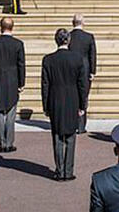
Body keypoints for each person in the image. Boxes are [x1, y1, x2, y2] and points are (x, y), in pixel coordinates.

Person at [41, 28, 88, 181]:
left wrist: (45, 105)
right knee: (70, 136)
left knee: (57, 135)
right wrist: (83, 105)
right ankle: (68, 170)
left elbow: (45, 85)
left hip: (55, 99)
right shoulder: (77, 58)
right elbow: (82, 84)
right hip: (72, 98)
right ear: (68, 40)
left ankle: (59, 169)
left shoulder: (48, 59)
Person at [0, 17, 26, 152]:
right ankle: (9, 142)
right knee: (11, 112)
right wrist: (21, 82)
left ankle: (1, 142)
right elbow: (21, 65)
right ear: (12, 27)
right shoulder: (18, 44)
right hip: (13, 79)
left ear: (1, 27)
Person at [69, 14, 97, 134]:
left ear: (72, 22)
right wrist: (92, 71)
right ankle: (81, 125)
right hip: (85, 70)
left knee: (71, 96)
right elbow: (92, 55)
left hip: (71, 69)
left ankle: (72, 123)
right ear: (83, 22)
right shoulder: (89, 37)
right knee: (83, 97)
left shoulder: (68, 36)